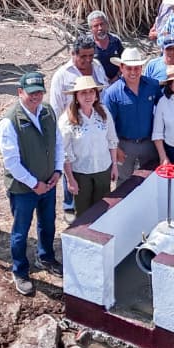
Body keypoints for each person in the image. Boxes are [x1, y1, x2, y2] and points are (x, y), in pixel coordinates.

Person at [0, 71, 64, 296]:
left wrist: (57, 170)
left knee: (48, 223)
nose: (35, 97)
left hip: (48, 183)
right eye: (31, 93)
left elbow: (58, 143)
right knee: (20, 231)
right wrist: (35, 184)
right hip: (24, 189)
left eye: (39, 92)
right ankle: (20, 271)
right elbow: (12, 163)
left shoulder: (48, 112)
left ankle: (46, 257)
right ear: (20, 92)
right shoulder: (9, 122)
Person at [48, 35, 108, 212]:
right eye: (83, 56)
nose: (88, 60)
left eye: (91, 55)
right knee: (70, 167)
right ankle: (69, 206)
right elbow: (55, 107)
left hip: (95, 122)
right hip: (71, 127)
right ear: (73, 53)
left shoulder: (97, 67)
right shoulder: (62, 75)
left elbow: (102, 93)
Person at [58, 76, 120, 215]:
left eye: (91, 92)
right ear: (76, 96)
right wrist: (70, 179)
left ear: (96, 95)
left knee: (103, 209)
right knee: (83, 212)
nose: (88, 96)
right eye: (83, 93)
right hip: (81, 173)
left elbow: (111, 140)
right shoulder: (67, 120)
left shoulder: (103, 113)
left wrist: (114, 165)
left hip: (103, 169)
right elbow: (64, 152)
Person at [102, 48, 162, 181]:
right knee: (123, 181)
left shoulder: (153, 85)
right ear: (121, 68)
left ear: (141, 67)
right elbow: (107, 124)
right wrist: (116, 148)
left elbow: (164, 108)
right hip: (124, 144)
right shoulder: (112, 93)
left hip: (149, 143)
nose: (133, 72)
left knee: (151, 178)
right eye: (129, 68)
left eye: (136, 68)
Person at [88, 11, 125, 83]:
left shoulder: (115, 41)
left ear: (106, 25)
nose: (100, 28)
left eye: (102, 24)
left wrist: (116, 78)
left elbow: (124, 61)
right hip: (96, 84)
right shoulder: (88, 44)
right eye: (96, 26)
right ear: (91, 29)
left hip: (117, 81)